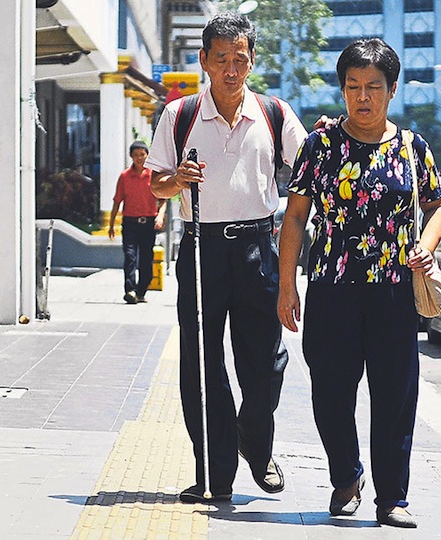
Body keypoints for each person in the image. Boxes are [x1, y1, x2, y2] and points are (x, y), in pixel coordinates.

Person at [277, 38, 441, 528]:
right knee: (330, 394)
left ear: (392, 90)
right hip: (332, 289)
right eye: (353, 86)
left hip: (394, 290)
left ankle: (392, 497)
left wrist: (427, 246)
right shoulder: (320, 146)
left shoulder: (413, 147)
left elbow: (437, 206)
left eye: (373, 86)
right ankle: (346, 475)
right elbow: (295, 218)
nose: (363, 96)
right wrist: (287, 287)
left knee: (395, 396)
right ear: (342, 90)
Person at [145, 12, 308, 503]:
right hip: (202, 248)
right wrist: (177, 180)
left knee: (267, 362)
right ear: (204, 61)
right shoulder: (180, 115)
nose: (231, 70)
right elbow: (157, 184)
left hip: (258, 247)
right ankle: (214, 474)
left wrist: (330, 135)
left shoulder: (274, 113)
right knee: (202, 364)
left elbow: (309, 166)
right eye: (221, 59)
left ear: (252, 61)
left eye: (240, 59)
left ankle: (255, 443)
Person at [108, 140, 165, 304]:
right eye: (136, 155)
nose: (139, 158)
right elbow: (117, 201)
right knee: (130, 256)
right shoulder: (125, 177)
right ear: (131, 157)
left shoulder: (153, 175)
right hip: (130, 223)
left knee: (146, 258)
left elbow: (163, 200)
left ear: (147, 155)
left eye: (142, 154)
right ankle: (130, 290)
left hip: (148, 223)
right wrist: (111, 225)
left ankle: (141, 291)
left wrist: (160, 216)